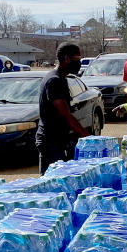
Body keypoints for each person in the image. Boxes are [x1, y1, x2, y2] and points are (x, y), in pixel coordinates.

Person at [35, 42, 90, 174]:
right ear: (66, 58)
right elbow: (65, 115)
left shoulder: (61, 78)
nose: (79, 62)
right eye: (77, 59)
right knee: (53, 183)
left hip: (58, 140)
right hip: (50, 141)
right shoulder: (54, 81)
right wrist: (87, 137)